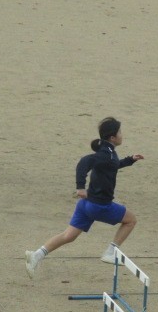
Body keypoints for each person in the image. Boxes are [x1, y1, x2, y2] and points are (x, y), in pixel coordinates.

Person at [25, 117, 144, 278]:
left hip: (85, 205)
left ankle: (36, 255)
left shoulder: (109, 153)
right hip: (99, 206)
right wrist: (80, 187)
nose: (122, 135)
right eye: (120, 132)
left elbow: (113, 165)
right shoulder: (106, 154)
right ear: (112, 137)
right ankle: (111, 252)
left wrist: (130, 160)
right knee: (131, 220)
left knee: (68, 236)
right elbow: (84, 162)